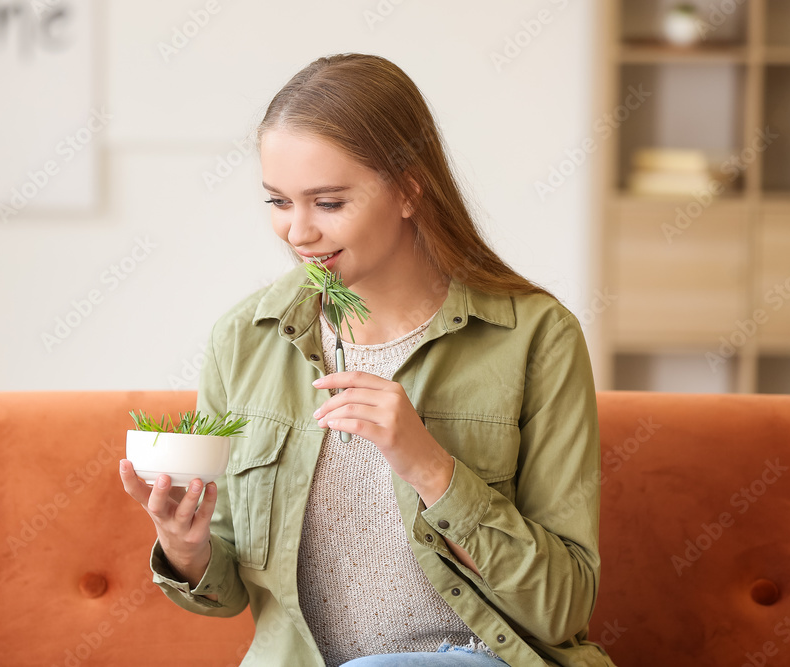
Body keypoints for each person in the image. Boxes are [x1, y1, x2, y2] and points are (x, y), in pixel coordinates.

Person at [119, 53, 616, 667]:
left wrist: (431, 467)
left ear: (410, 189)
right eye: (278, 201)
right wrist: (185, 549)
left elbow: (562, 606)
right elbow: (227, 595)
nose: (297, 233)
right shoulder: (246, 339)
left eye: (328, 203)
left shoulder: (535, 337)